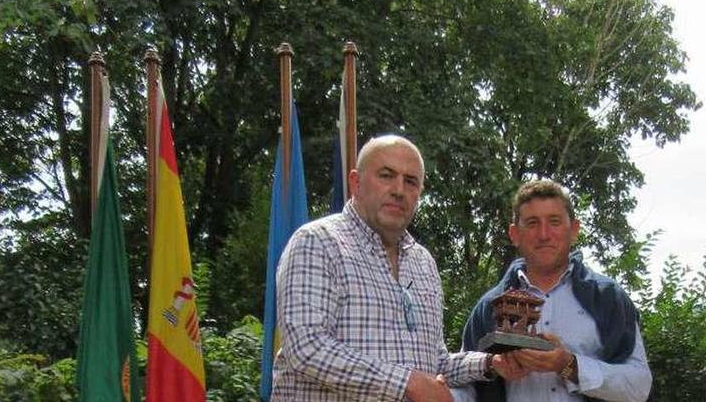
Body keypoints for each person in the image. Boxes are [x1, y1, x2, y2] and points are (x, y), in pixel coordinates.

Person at [272, 135, 517, 401]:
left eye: (410, 181)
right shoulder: (317, 242)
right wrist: (407, 383)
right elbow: (307, 348)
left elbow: (434, 363)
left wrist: (489, 363)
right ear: (356, 183)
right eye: (386, 175)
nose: (399, 190)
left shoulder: (423, 263)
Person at [453, 179, 652, 402]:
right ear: (514, 234)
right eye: (532, 223)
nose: (544, 234)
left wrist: (569, 366)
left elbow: (639, 386)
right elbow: (464, 385)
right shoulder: (488, 308)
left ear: (574, 230)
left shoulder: (608, 299)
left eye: (554, 222)